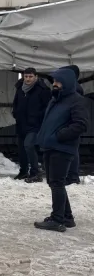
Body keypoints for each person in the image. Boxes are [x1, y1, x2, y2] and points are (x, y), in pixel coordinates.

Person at [33, 68, 89, 232]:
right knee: (54, 182)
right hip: (50, 146)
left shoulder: (77, 101)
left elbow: (81, 124)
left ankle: (57, 220)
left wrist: (60, 135)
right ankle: (67, 217)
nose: (54, 84)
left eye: (58, 81)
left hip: (62, 148)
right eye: (54, 82)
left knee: (57, 183)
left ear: (67, 83)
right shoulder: (55, 100)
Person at [12, 68, 52, 182]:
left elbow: (48, 106)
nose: (28, 79)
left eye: (30, 76)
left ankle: (35, 173)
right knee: (21, 148)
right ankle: (23, 171)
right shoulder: (20, 88)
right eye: (26, 76)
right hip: (21, 123)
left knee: (29, 145)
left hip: (35, 124)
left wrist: (38, 117)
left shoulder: (42, 90)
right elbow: (16, 103)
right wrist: (15, 113)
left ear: (36, 77)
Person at [61, 65, 84, 185]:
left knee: (72, 150)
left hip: (72, 123)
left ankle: (73, 177)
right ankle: (70, 175)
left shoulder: (75, 89)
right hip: (69, 122)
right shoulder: (71, 87)